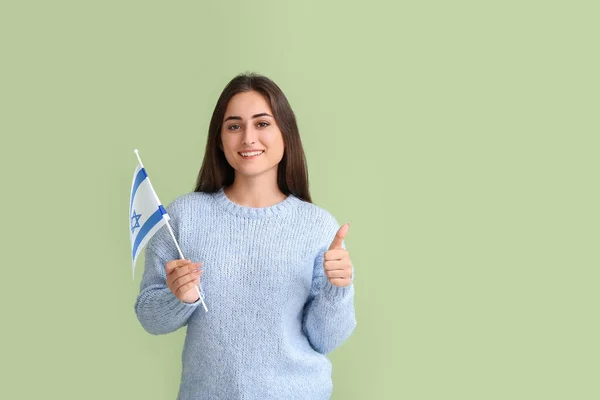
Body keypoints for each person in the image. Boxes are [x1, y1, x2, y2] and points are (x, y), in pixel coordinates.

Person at [134, 72, 356, 400]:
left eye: (262, 123)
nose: (248, 138)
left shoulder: (318, 226)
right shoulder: (184, 216)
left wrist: (338, 290)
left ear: (285, 133)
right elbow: (150, 316)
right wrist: (179, 297)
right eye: (234, 126)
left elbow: (325, 339)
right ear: (220, 139)